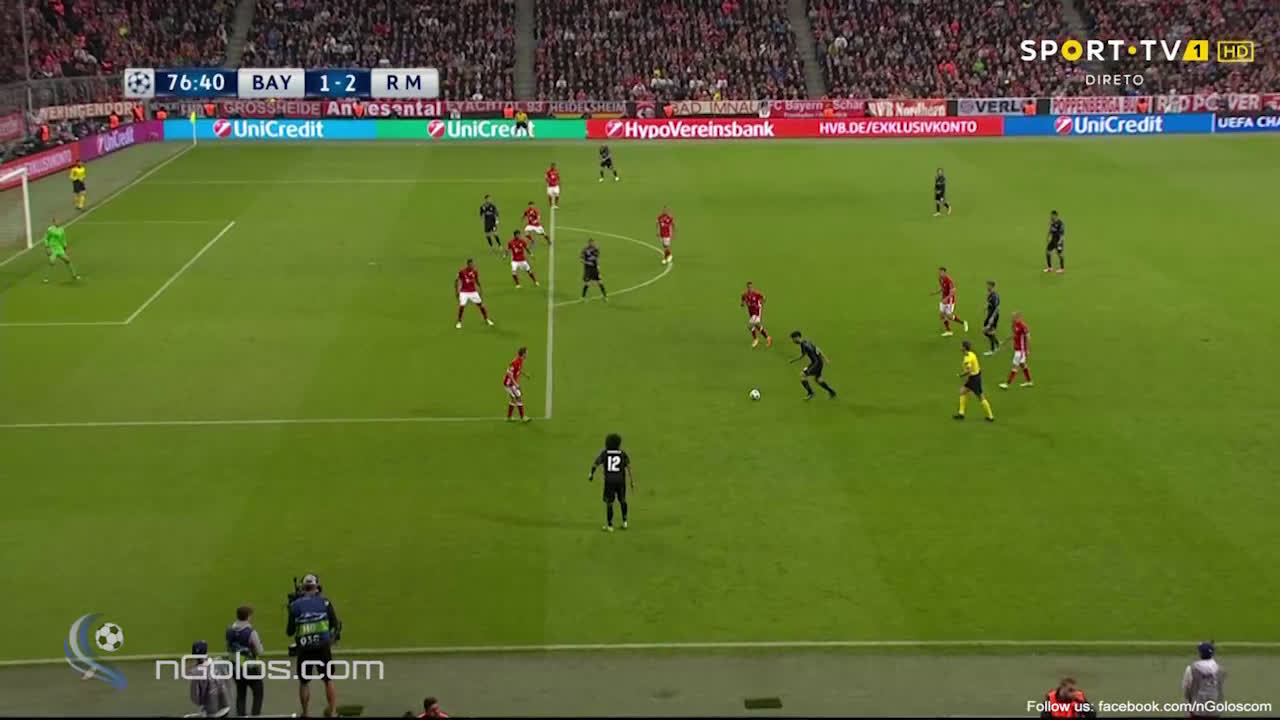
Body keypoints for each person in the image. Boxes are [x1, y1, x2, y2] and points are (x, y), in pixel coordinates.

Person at [287, 574, 342, 719]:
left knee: (304, 682)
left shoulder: (295, 605)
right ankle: (333, 713)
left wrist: (291, 610)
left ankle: (306, 713)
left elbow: (290, 631)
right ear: (316, 587)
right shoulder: (325, 602)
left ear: (302, 587)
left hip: (304, 648)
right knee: (328, 680)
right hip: (322, 646)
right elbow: (334, 624)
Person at [589, 433, 634, 531]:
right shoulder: (622, 453)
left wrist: (591, 474)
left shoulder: (605, 453)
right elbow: (629, 467)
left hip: (609, 481)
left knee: (609, 503)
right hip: (620, 481)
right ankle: (625, 522)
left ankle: (610, 525)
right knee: (622, 500)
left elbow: (595, 464)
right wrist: (632, 481)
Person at [226, 605, 265, 716]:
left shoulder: (229, 631)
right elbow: (259, 651)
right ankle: (255, 715)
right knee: (258, 692)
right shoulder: (251, 632)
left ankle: (241, 714)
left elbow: (229, 647)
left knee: (241, 692)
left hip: (235, 667)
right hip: (250, 668)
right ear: (248, 616)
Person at [188, 640, 232, 718]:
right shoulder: (219, 661)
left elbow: (194, 696)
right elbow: (228, 682)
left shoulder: (196, 672)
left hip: (211, 711)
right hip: (225, 706)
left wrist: (202, 705)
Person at [1182, 641, 1225, 719]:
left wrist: (1189, 705)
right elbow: (1219, 689)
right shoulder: (1220, 669)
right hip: (1214, 709)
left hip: (1197, 710)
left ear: (1200, 653)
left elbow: (1186, 689)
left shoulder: (1191, 668)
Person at [789, 331, 836, 400]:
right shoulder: (807, 341)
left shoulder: (804, 345)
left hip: (816, 363)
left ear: (797, 337)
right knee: (818, 379)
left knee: (802, 375)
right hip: (819, 362)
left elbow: (807, 353)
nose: (793, 341)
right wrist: (825, 358)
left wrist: (825, 359)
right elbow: (817, 350)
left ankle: (810, 393)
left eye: (793, 339)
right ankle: (832, 392)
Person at [955, 340, 994, 421]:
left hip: (974, 379)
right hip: (976, 376)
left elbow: (969, 370)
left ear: (964, 348)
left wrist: (961, 375)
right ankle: (961, 413)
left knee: (980, 397)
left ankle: (990, 416)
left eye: (961, 346)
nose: (960, 347)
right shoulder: (972, 354)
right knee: (962, 391)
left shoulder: (967, 359)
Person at [455, 258, 494, 329]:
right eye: (471, 264)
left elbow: (477, 280)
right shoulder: (462, 271)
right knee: (462, 306)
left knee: (481, 305)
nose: (472, 265)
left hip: (473, 291)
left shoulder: (475, 271)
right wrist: (457, 290)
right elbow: (457, 280)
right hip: (464, 292)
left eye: (473, 264)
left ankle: (487, 319)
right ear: (468, 265)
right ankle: (459, 322)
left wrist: (480, 288)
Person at [1000, 312, 1033, 389]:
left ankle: (1007, 384)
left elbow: (1028, 337)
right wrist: (1005, 341)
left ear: (1019, 318)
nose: (1013, 319)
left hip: (1021, 351)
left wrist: (1027, 349)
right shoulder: (1015, 325)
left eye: (1014, 318)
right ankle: (1029, 381)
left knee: (1015, 366)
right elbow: (1014, 335)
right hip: (1017, 350)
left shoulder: (1023, 326)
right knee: (1022, 365)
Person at [43, 218, 81, 283]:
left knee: (67, 260)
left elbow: (63, 239)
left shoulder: (61, 229)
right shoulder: (50, 229)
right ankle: (46, 278)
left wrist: (65, 246)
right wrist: (47, 247)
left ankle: (74, 275)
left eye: (59, 221)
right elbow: (46, 238)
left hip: (59, 248)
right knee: (52, 262)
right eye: (57, 221)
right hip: (52, 248)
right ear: (53, 222)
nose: (58, 222)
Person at [932, 267, 966, 337]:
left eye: (941, 272)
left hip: (950, 300)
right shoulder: (940, 278)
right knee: (942, 315)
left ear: (945, 272)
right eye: (939, 272)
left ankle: (963, 323)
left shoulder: (949, 281)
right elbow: (942, 288)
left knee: (949, 316)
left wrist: (946, 299)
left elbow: (953, 292)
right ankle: (949, 331)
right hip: (943, 299)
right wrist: (936, 292)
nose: (940, 273)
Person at [504, 347, 532, 422]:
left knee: (517, 397)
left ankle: (513, 417)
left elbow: (518, 369)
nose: (527, 355)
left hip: (512, 384)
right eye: (526, 353)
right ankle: (518, 417)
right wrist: (515, 384)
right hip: (508, 384)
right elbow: (509, 373)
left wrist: (525, 374)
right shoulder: (515, 362)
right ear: (523, 354)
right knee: (515, 398)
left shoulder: (520, 360)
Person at [740, 281, 771, 348]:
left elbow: (764, 297)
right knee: (757, 326)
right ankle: (767, 338)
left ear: (752, 287)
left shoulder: (756, 293)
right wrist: (742, 303)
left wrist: (761, 302)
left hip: (757, 310)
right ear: (747, 287)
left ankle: (756, 339)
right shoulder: (745, 294)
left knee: (751, 324)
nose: (750, 288)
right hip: (751, 312)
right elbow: (742, 298)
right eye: (749, 287)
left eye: (751, 287)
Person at [982, 280, 1000, 355]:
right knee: (987, 331)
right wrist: (986, 307)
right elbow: (989, 303)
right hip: (990, 315)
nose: (987, 287)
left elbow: (997, 308)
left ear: (992, 286)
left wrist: (992, 318)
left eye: (988, 285)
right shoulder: (990, 294)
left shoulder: (995, 296)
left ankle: (993, 349)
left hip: (993, 316)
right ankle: (997, 343)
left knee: (986, 331)